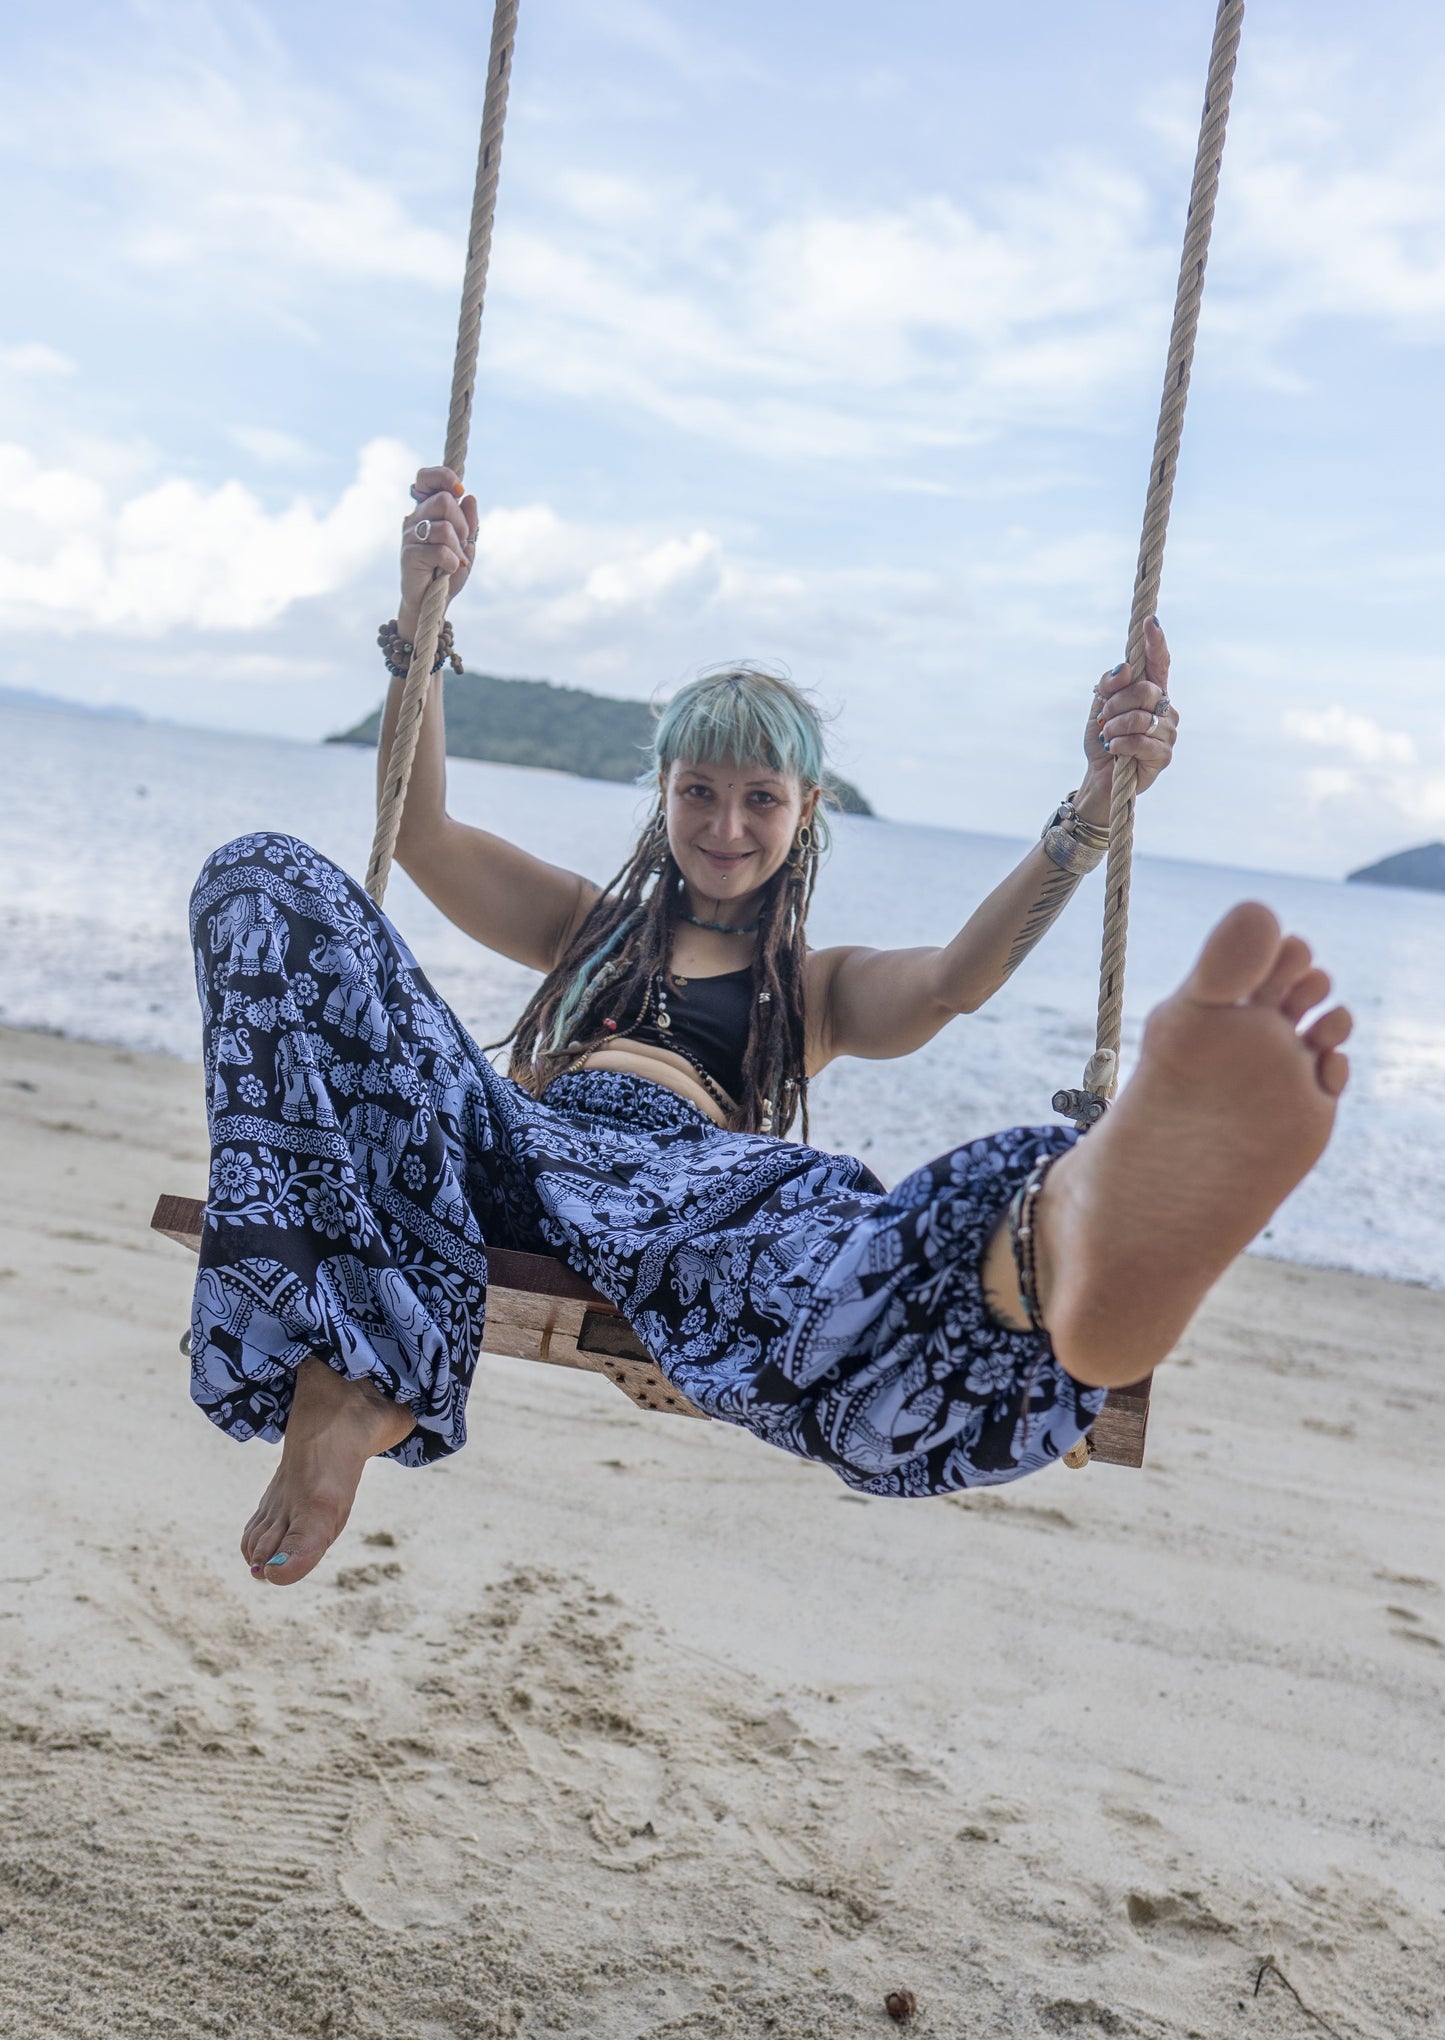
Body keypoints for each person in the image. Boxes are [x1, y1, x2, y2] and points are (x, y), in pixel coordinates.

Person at [188, 466, 1352, 1586]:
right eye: (699, 788)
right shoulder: (585, 924)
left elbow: (953, 979)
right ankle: (358, 1378)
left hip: (693, 1188)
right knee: (259, 879)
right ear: (663, 792)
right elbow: (423, 830)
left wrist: (1094, 804)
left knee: (816, 1249)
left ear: (803, 815)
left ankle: (1055, 1242)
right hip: (501, 1145)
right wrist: (420, 614)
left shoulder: (815, 989)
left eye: (760, 798)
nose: (725, 823)